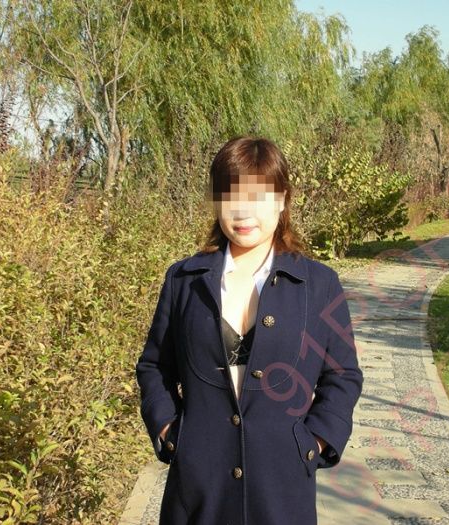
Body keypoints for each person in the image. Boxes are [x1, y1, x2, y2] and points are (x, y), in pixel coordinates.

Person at [135, 136, 364, 525]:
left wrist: (315, 441)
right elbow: (154, 366)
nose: (243, 211)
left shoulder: (319, 284)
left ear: (282, 199)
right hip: (196, 490)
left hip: (282, 489)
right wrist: (169, 430)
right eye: (230, 196)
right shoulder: (184, 280)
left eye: (258, 197)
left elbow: (343, 375)